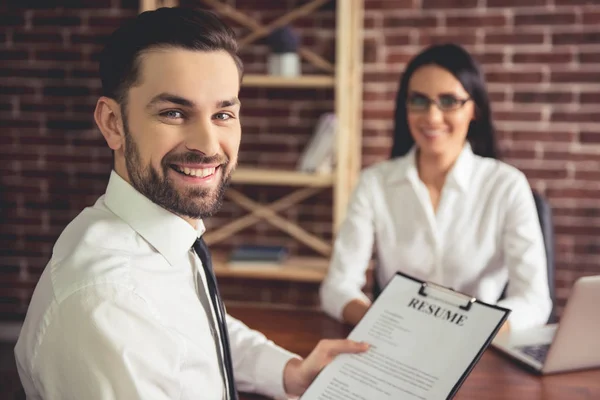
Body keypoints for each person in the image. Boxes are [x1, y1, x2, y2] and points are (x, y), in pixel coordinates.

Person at [14, 8, 369, 400]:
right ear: (113, 123)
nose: (207, 144)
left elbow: (197, 327)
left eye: (222, 114)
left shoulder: (159, 238)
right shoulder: (108, 304)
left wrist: (288, 372)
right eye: (174, 113)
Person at [320, 43, 552, 332]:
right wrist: (383, 323)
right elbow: (337, 288)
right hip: (398, 341)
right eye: (419, 101)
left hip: (479, 346)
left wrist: (474, 333)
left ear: (474, 109)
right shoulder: (374, 183)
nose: (431, 116)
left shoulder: (506, 185)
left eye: (449, 101)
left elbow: (534, 300)